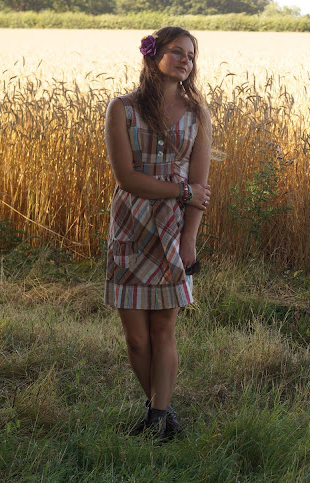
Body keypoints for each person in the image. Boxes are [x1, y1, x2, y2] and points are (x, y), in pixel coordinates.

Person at [103, 26, 211, 442]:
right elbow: (126, 178)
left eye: (191, 55)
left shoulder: (197, 113)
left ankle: (158, 418)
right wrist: (180, 189)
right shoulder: (122, 109)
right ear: (153, 55)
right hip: (129, 227)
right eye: (177, 52)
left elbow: (200, 188)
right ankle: (159, 411)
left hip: (171, 232)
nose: (186, 60)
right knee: (135, 338)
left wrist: (189, 241)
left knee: (164, 330)